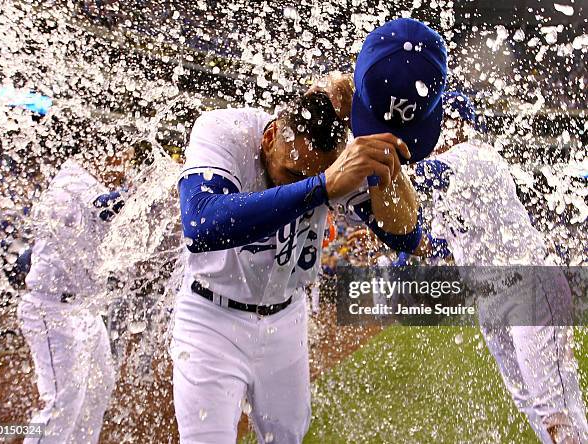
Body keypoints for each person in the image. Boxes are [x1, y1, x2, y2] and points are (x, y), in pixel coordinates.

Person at [171, 18, 447, 444]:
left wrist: (381, 160)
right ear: (268, 137)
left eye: (312, 173)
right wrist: (320, 187)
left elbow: (405, 236)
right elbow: (203, 224)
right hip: (212, 316)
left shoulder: (339, 158)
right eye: (289, 171)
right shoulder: (225, 130)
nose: (291, 181)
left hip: (285, 317)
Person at [412, 91, 588, 444]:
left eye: (437, 122)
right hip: (490, 298)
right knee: (528, 402)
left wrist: (377, 158)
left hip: (528, 286)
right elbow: (439, 245)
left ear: (458, 124)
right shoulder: (451, 183)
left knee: (554, 406)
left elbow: (424, 175)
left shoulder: (474, 156)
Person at [17, 148, 131, 444]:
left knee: (97, 388)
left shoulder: (89, 185)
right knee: (62, 402)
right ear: (100, 153)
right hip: (51, 309)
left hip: (83, 310)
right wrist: (143, 188)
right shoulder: (70, 183)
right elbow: (106, 207)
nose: (122, 166)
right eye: (121, 157)